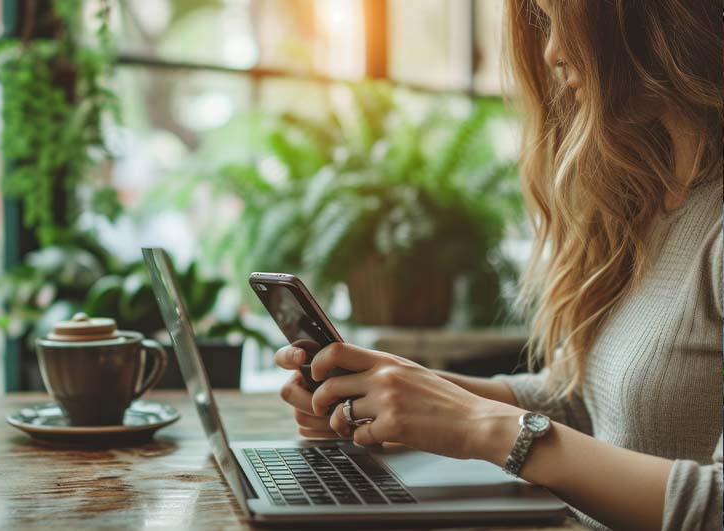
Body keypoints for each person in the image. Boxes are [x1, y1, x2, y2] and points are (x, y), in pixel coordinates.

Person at [273, 1, 722, 530]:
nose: (552, 52)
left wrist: (481, 426)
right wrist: (405, 394)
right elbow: (583, 406)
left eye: (562, 18)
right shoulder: (653, 205)